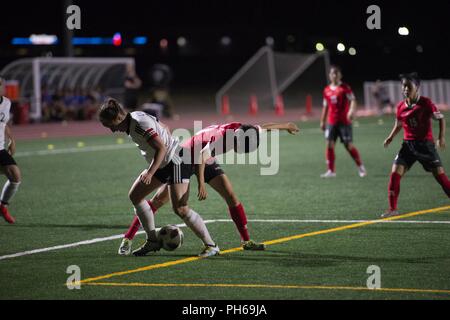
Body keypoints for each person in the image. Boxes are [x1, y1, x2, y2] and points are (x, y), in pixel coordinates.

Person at [118, 121, 299, 255]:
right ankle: (129, 237)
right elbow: (202, 157)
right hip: (186, 157)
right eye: (237, 147)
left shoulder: (247, 131)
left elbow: (264, 127)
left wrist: (286, 125)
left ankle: (246, 241)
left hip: (203, 155)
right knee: (161, 201)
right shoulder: (222, 138)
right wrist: (201, 183)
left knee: (230, 195)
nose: (237, 150)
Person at [99, 98, 219, 257]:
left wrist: (150, 171)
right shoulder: (135, 117)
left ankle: (211, 245)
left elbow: (161, 148)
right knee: (135, 195)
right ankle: (152, 240)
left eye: (111, 126)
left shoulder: (139, 125)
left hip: (176, 160)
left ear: (118, 118)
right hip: (162, 162)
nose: (112, 131)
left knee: (180, 209)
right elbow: (164, 127)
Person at [382, 72, 449, 217]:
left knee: (440, 176)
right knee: (395, 173)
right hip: (408, 146)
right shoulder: (400, 106)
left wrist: (441, 138)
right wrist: (390, 137)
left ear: (417, 87)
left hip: (425, 146)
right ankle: (392, 209)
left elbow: (441, 118)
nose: (405, 89)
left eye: (408, 86)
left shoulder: (426, 103)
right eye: (403, 86)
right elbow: (399, 123)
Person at [320, 65, 366, 178]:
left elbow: (353, 100)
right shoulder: (326, 90)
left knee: (348, 145)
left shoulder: (345, 88)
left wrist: (351, 111)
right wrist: (322, 121)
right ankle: (331, 171)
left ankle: (361, 167)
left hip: (344, 122)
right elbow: (325, 107)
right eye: (332, 73)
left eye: (336, 73)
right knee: (329, 144)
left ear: (340, 75)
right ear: (329, 75)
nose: (334, 75)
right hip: (331, 122)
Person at [0, 78, 22, 224]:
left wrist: (11, 140)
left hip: (0, 148)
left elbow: (3, 123)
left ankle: (2, 206)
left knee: (15, 176)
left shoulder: (6, 103)